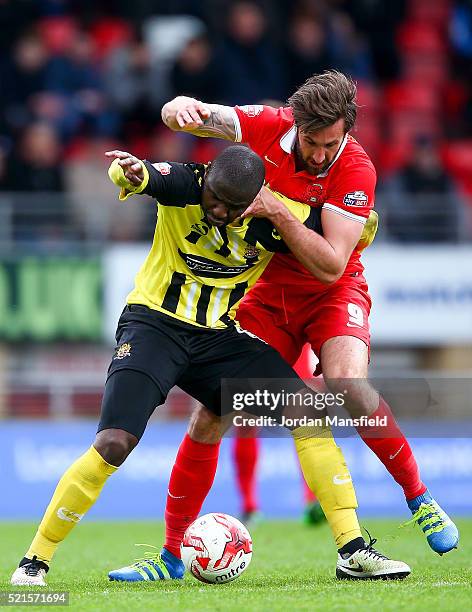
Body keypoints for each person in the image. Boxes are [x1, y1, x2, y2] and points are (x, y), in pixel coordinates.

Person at [11, 145, 410, 587]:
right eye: (213, 197)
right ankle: (35, 561)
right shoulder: (187, 184)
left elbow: (342, 237)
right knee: (114, 443)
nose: (217, 208)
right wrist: (126, 173)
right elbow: (144, 176)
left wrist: (359, 223)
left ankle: (352, 549)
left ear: (255, 200)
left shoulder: (274, 216)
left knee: (308, 412)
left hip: (216, 338)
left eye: (230, 205)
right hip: (153, 329)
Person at [159, 69, 459, 555]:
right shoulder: (268, 125)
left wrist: (275, 209)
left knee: (348, 387)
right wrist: (179, 108)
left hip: (333, 293)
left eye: (331, 144)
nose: (320, 155)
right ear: (294, 123)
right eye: (312, 143)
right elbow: (200, 117)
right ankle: (172, 553)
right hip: (267, 294)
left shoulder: (357, 169)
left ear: (347, 132)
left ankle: (418, 496)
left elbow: (330, 264)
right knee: (211, 413)